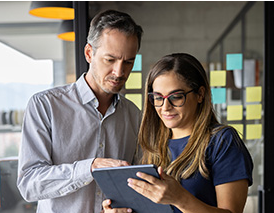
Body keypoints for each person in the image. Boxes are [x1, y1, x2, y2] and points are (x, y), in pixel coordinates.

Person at [17, 9, 143, 213]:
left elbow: (135, 186)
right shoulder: (45, 106)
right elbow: (29, 185)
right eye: (110, 60)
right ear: (89, 53)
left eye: (128, 62)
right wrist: (90, 168)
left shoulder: (134, 115)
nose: (119, 72)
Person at [102, 53, 253, 213]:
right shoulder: (150, 143)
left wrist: (179, 198)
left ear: (200, 94)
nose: (165, 107)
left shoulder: (222, 141)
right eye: (158, 97)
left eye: (176, 97)